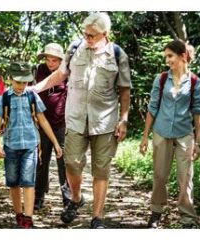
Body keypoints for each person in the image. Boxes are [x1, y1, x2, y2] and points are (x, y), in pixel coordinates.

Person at [31, 12, 132, 228]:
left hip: (105, 122)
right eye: (85, 34)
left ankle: (97, 217)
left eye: (92, 35)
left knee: (101, 169)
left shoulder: (117, 54)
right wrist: (35, 88)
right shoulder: (75, 48)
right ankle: (76, 198)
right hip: (75, 118)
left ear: (105, 34)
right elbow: (60, 74)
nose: (87, 38)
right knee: (72, 163)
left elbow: (124, 89)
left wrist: (123, 119)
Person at [139, 39, 200, 228]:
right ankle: (156, 212)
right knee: (160, 175)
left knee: (185, 177)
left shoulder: (195, 82)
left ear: (183, 56)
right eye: (166, 56)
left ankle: (187, 218)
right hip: (161, 131)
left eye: (170, 56)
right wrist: (145, 136)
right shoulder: (161, 79)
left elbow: (198, 112)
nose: (167, 60)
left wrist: (198, 143)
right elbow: (152, 108)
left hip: (185, 133)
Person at [0, 62, 62, 229]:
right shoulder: (5, 97)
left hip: (30, 145)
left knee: (29, 182)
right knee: (13, 183)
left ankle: (28, 219)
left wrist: (55, 142)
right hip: (11, 146)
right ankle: (19, 216)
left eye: (25, 82)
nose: (21, 86)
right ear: (10, 80)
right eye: (18, 82)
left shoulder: (32, 96)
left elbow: (42, 120)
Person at [34, 43, 71, 210]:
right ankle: (39, 196)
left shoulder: (67, 72)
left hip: (62, 123)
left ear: (60, 60)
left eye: (54, 60)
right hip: (42, 122)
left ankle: (67, 198)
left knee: (63, 161)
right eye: (48, 59)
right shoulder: (40, 70)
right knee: (42, 161)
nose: (50, 63)